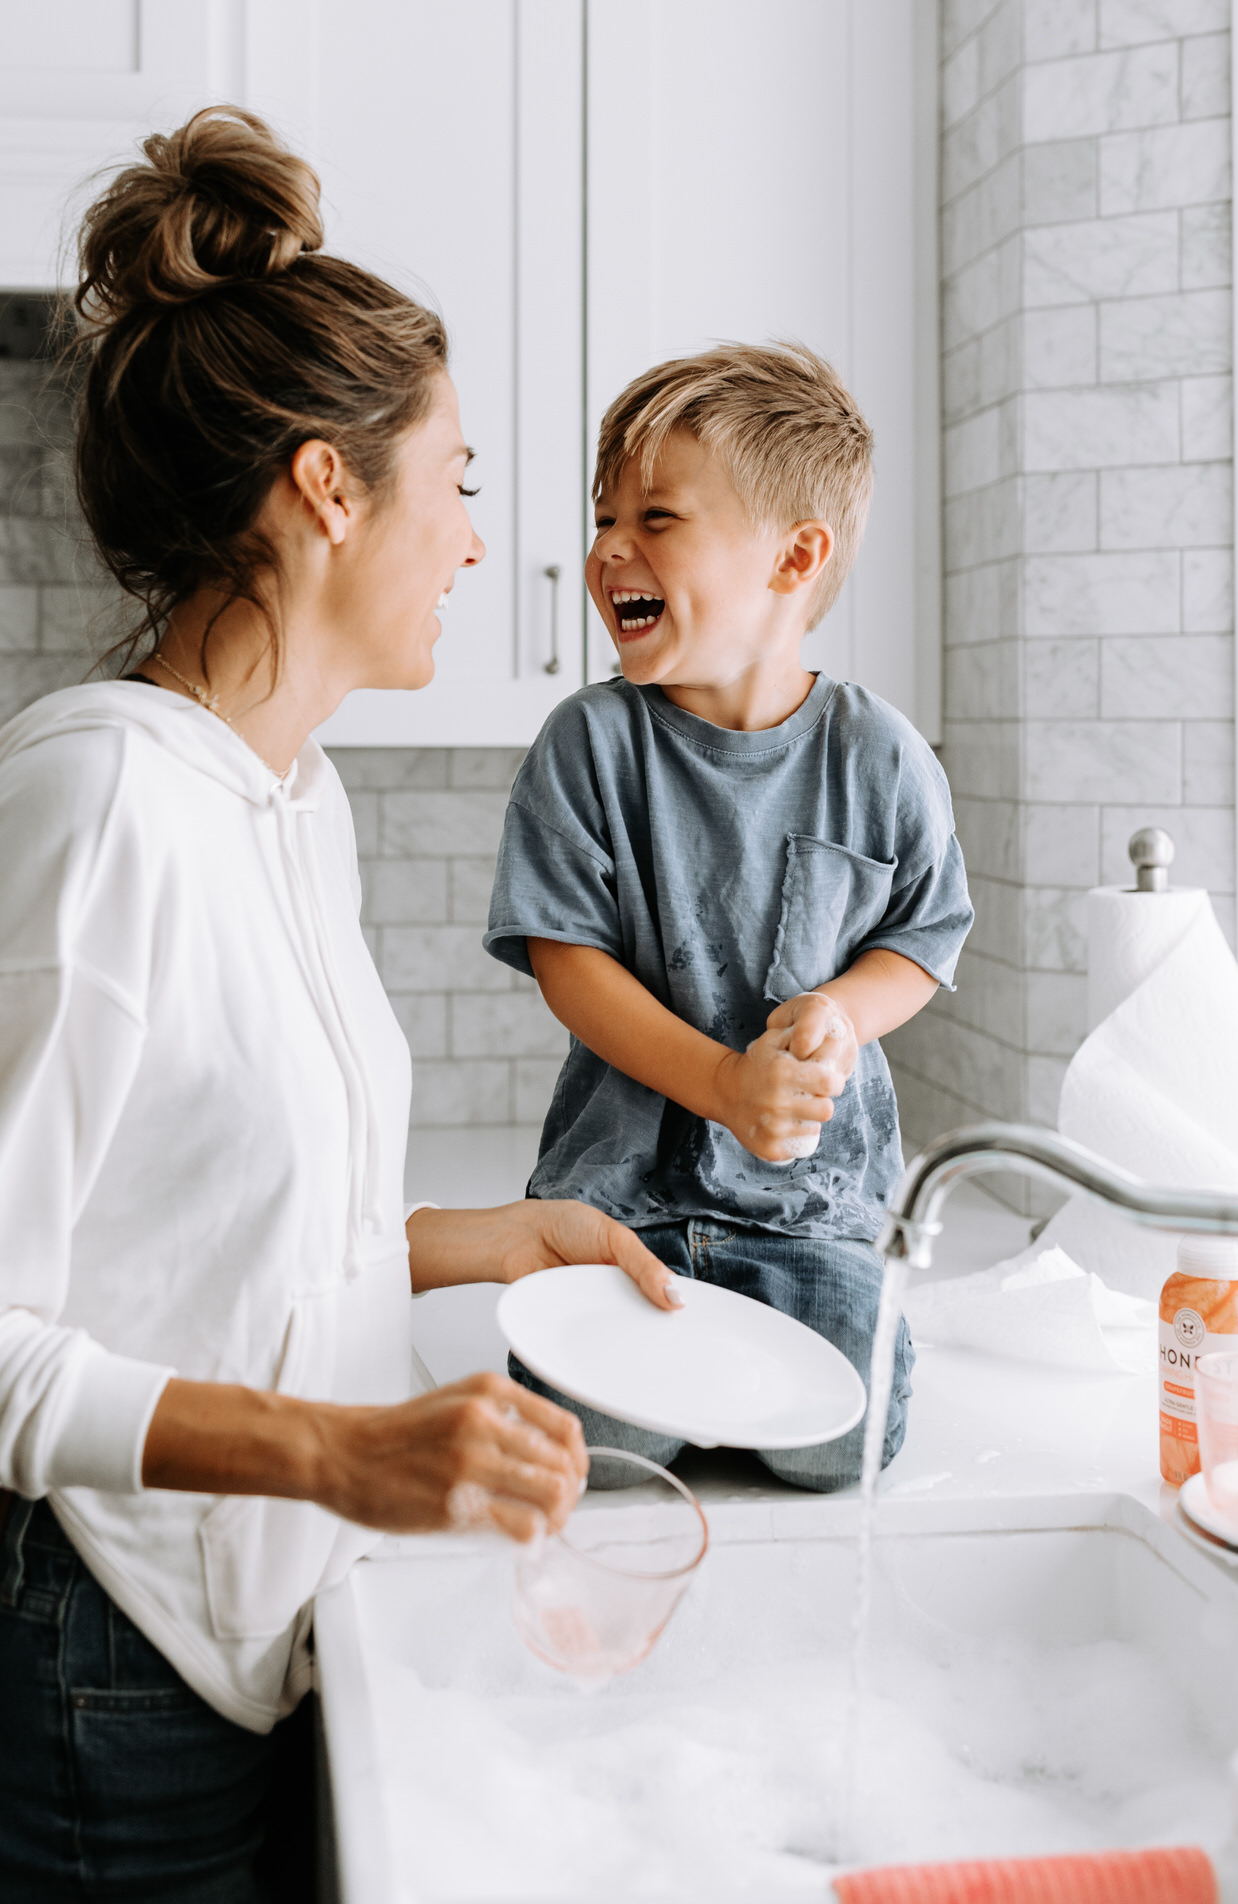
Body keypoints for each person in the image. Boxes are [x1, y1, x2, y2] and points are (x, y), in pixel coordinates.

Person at [0, 107, 678, 1902]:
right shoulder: (97, 801)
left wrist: (488, 1239)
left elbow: (220, 1226)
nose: (473, 539)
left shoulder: (291, 799)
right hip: (109, 1650)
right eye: (453, 476)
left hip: (257, 1611)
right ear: (325, 485)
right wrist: (346, 1450)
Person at [484, 342, 974, 1491]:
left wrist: (841, 1013)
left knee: (841, 1445)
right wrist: (719, 1085)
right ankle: (673, 1395)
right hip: (618, 1213)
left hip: (810, 1216)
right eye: (605, 517)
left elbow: (921, 936)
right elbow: (568, 961)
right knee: (599, 1448)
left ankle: (721, 1390)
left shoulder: (879, 754)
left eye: (656, 518)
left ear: (794, 557)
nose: (610, 550)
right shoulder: (589, 745)